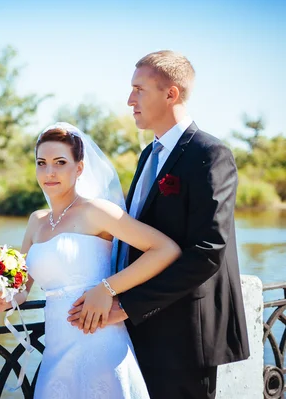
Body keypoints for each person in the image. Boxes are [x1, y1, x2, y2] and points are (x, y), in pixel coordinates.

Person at [68, 51, 250, 399]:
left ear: (171, 94)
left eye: (139, 89)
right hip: (139, 325)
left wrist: (127, 305)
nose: (129, 100)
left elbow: (208, 251)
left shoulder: (209, 154)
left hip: (184, 333)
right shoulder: (148, 155)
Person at [0, 122, 181, 398]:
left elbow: (165, 249)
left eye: (60, 162)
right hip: (56, 348)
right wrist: (5, 299)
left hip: (100, 341)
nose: (49, 172)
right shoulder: (36, 221)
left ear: (79, 168)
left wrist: (107, 288)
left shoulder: (96, 211)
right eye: (41, 163)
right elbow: (23, 289)